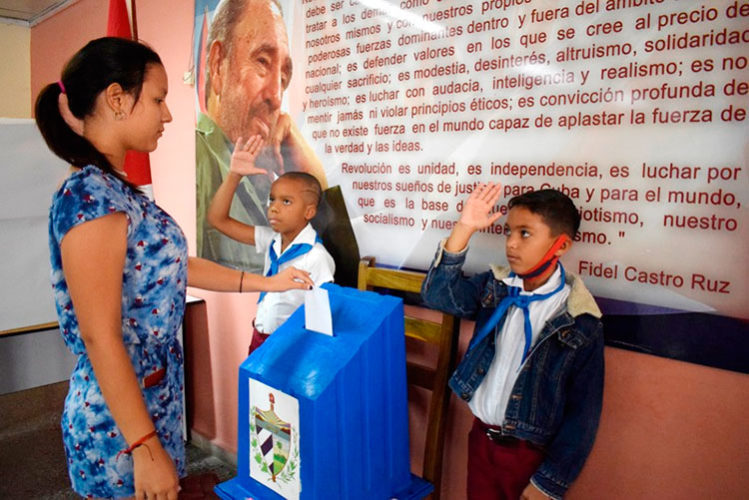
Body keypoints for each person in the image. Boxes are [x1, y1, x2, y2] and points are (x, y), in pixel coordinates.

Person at [34, 37, 314, 500]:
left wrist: (269, 281)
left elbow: (173, 268)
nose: (167, 115)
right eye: (159, 99)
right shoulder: (91, 198)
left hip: (152, 401)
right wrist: (143, 446)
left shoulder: (116, 191)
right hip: (119, 425)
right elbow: (100, 335)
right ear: (118, 98)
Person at [421, 184, 604, 500]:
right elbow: (437, 294)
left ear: (561, 245)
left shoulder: (579, 319)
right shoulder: (496, 287)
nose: (511, 243)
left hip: (529, 457)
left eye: (525, 233)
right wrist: (464, 228)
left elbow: (583, 416)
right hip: (482, 441)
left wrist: (548, 484)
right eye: (509, 232)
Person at [196, 0, 327, 273]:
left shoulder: (306, 251)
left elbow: (330, 231)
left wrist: (292, 134)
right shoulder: (202, 152)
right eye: (262, 62)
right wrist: (233, 175)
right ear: (218, 65)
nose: (276, 96)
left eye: (283, 77)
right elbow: (218, 220)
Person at [207, 135, 335, 353]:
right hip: (259, 338)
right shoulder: (272, 240)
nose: (274, 208)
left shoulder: (316, 257)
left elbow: (322, 321)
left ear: (309, 212)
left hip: (291, 347)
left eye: (286, 201)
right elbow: (217, 219)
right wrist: (234, 175)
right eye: (272, 199)